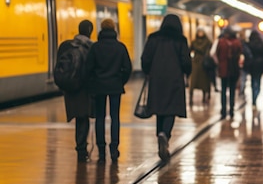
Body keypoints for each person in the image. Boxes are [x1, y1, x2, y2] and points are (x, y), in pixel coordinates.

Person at [141, 14, 192, 162]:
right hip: (174, 78)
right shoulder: (180, 40)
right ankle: (165, 134)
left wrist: (148, 71)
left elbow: (145, 58)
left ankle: (160, 135)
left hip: (156, 79)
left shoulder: (153, 38)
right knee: (171, 108)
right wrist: (187, 72)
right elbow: (186, 61)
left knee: (159, 109)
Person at [85, 18, 132, 163]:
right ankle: (114, 148)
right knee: (114, 117)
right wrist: (120, 81)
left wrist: (93, 82)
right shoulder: (120, 47)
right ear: (114, 29)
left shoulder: (95, 47)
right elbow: (128, 68)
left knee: (100, 118)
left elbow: (88, 68)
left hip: (99, 86)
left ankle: (101, 149)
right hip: (115, 87)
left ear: (101, 29)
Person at [57, 19, 94, 162]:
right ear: (90, 31)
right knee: (83, 118)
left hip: (71, 89)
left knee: (79, 118)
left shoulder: (67, 46)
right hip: (84, 88)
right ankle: (81, 149)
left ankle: (80, 147)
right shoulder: (90, 48)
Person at [214, 27, 243, 119]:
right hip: (234, 69)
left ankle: (223, 110)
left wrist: (220, 63)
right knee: (232, 90)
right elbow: (240, 54)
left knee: (223, 90)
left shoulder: (221, 42)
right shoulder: (237, 42)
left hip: (223, 69)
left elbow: (216, 53)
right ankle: (231, 109)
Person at [189, 28, 212, 105]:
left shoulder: (208, 42)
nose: (200, 33)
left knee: (204, 81)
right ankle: (191, 97)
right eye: (199, 32)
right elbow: (190, 50)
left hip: (203, 63)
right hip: (195, 63)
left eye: (201, 32)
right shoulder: (194, 42)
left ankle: (205, 96)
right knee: (193, 81)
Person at [246, 30, 263, 108]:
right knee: (258, 82)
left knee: (252, 82)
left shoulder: (249, 44)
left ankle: (253, 99)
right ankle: (256, 94)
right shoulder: (261, 43)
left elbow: (246, 54)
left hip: (252, 65)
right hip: (260, 65)